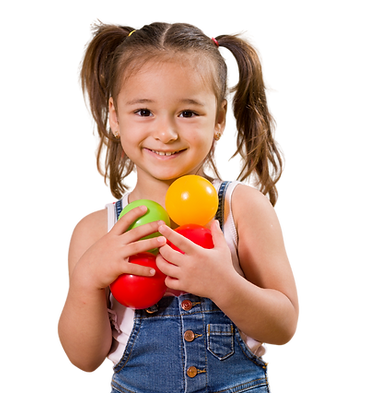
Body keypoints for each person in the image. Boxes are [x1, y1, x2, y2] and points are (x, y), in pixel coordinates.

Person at [55, 17, 302, 392]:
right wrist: (87, 281)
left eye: (188, 113)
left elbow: (285, 328)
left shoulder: (242, 208)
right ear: (113, 115)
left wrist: (225, 284)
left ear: (219, 118)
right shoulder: (94, 229)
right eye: (143, 111)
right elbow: (84, 361)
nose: (166, 133)